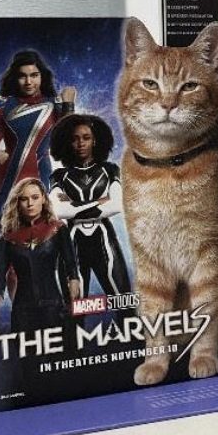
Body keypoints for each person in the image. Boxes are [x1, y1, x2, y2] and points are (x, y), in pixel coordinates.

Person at [0, 50, 76, 228]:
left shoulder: (54, 105)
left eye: (34, 75)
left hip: (43, 182)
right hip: (11, 183)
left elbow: (68, 138)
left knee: (46, 246)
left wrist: (68, 105)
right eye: (22, 76)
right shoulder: (4, 104)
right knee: (13, 247)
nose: (29, 82)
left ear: (42, 76)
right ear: (15, 78)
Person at [48, 114, 132, 299]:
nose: (81, 143)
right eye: (75, 139)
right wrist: (100, 202)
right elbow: (58, 210)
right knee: (74, 311)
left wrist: (74, 207)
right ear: (67, 142)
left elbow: (116, 205)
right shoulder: (59, 176)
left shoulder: (110, 170)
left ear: (95, 140)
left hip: (105, 241)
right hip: (71, 246)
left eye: (86, 138)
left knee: (124, 303)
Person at [0, 178, 81, 342]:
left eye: (35, 197)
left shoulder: (58, 229)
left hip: (53, 307)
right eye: (24, 199)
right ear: (18, 203)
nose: (30, 203)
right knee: (28, 365)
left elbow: (71, 267)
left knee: (58, 361)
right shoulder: (7, 238)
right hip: (22, 312)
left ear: (44, 199)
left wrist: (73, 300)